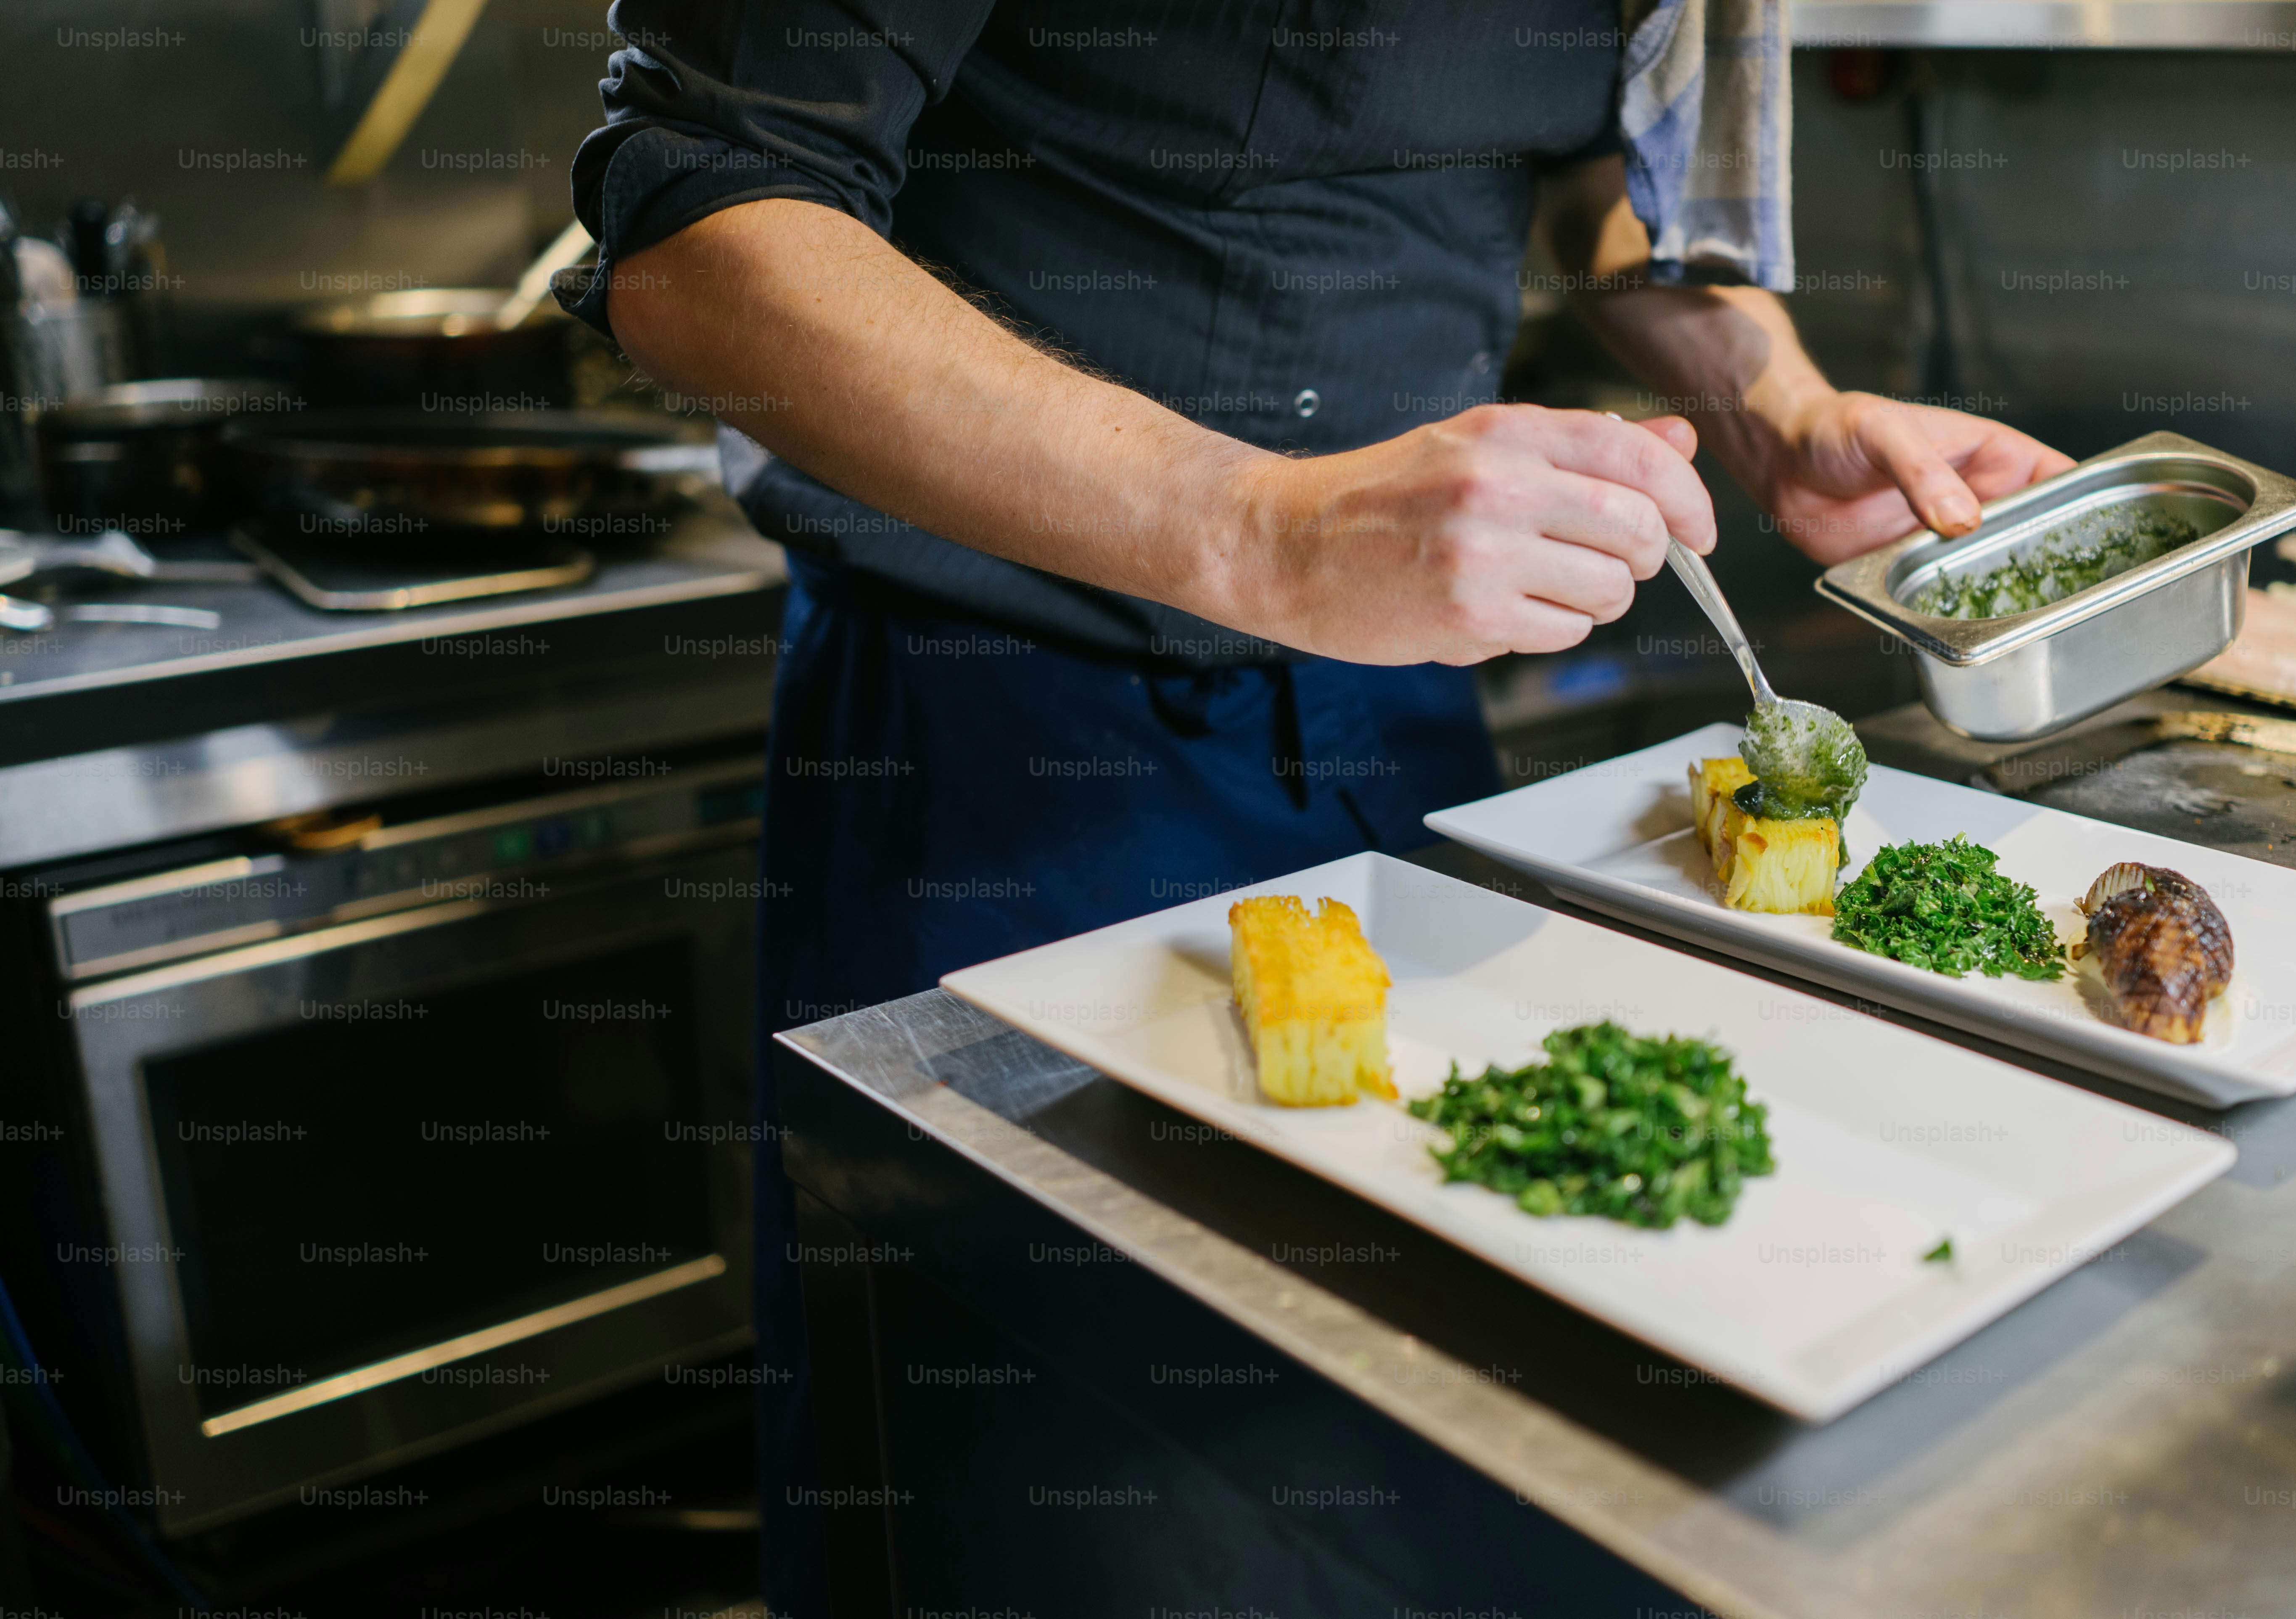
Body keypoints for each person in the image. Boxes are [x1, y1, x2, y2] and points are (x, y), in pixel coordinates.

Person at [556, 5, 2071, 1610]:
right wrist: (1259, 533)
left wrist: (1778, 411)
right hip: (1005, 734)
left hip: (1397, 724)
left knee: (1407, 1468)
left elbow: (1572, 163)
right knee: (1047, 1504)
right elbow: (696, 226)